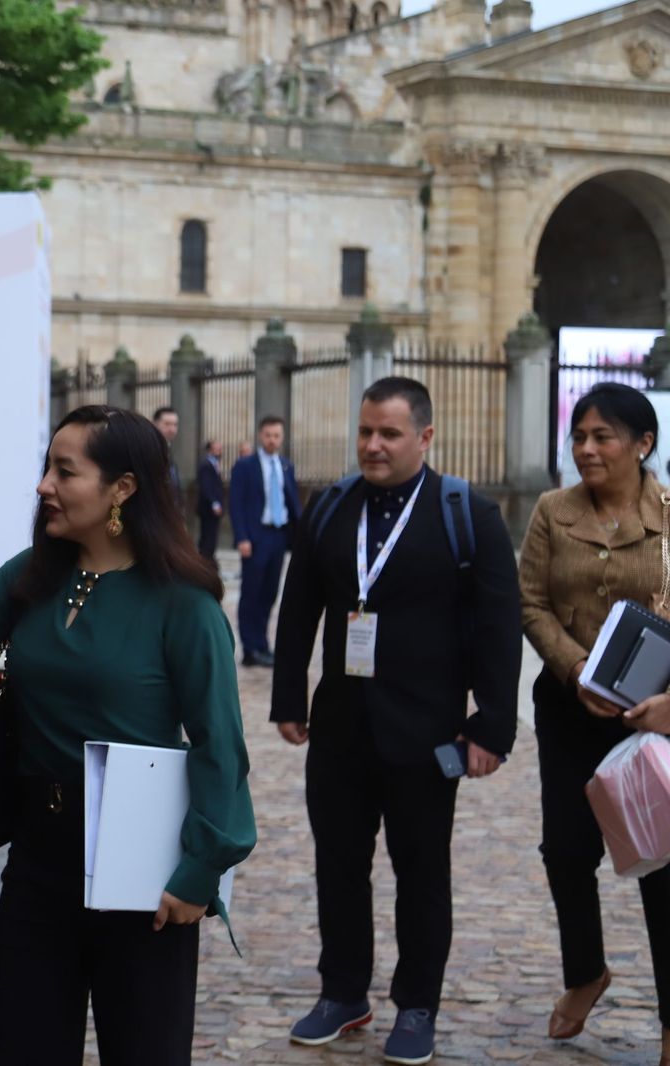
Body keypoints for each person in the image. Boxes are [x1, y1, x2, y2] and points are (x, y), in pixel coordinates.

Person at [0, 405, 256, 1065]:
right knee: (28, 1047)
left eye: (65, 471)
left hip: (144, 871)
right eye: (46, 468)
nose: (44, 486)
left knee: (143, 1051)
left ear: (123, 488)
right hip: (39, 859)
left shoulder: (184, 604)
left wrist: (200, 870)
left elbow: (220, 747)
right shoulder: (34, 575)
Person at [270, 377, 520, 1064]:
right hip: (340, 729)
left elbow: (499, 626)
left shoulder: (467, 514)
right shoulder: (330, 506)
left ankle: (417, 1005)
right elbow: (300, 606)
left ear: (425, 437)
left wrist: (492, 725)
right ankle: (343, 992)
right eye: (365, 431)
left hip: (427, 732)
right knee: (338, 867)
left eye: (389, 433)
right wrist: (289, 697)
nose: (373, 445)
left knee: (422, 873)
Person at [519, 382, 670, 1066]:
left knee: (663, 865)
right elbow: (531, 603)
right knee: (567, 850)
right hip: (569, 709)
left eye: (602, 436)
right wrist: (576, 669)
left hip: (655, 718)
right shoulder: (553, 511)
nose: (586, 449)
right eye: (579, 436)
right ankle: (586, 972)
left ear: (642, 444)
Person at [230, 414, 302, 666]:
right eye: (268, 435)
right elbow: (236, 504)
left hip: (279, 536)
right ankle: (250, 649)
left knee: (270, 593)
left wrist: (300, 535)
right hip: (255, 537)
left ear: (282, 437)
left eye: (277, 436)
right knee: (252, 592)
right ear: (261, 435)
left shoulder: (286, 465)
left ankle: (262, 644)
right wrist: (242, 537)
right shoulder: (245, 466)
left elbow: (292, 502)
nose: (272, 440)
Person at [197, 437, 226, 565]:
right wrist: (214, 503)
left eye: (220, 449)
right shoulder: (206, 465)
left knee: (212, 533)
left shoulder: (214, 464)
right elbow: (206, 486)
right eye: (217, 449)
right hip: (208, 508)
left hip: (212, 507)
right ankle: (206, 559)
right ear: (210, 450)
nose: (220, 451)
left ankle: (208, 556)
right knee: (208, 534)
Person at [154, 404, 184, 508]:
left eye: (175, 424)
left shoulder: (167, 448)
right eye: (167, 424)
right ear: (155, 424)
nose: (172, 429)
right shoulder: (150, 448)